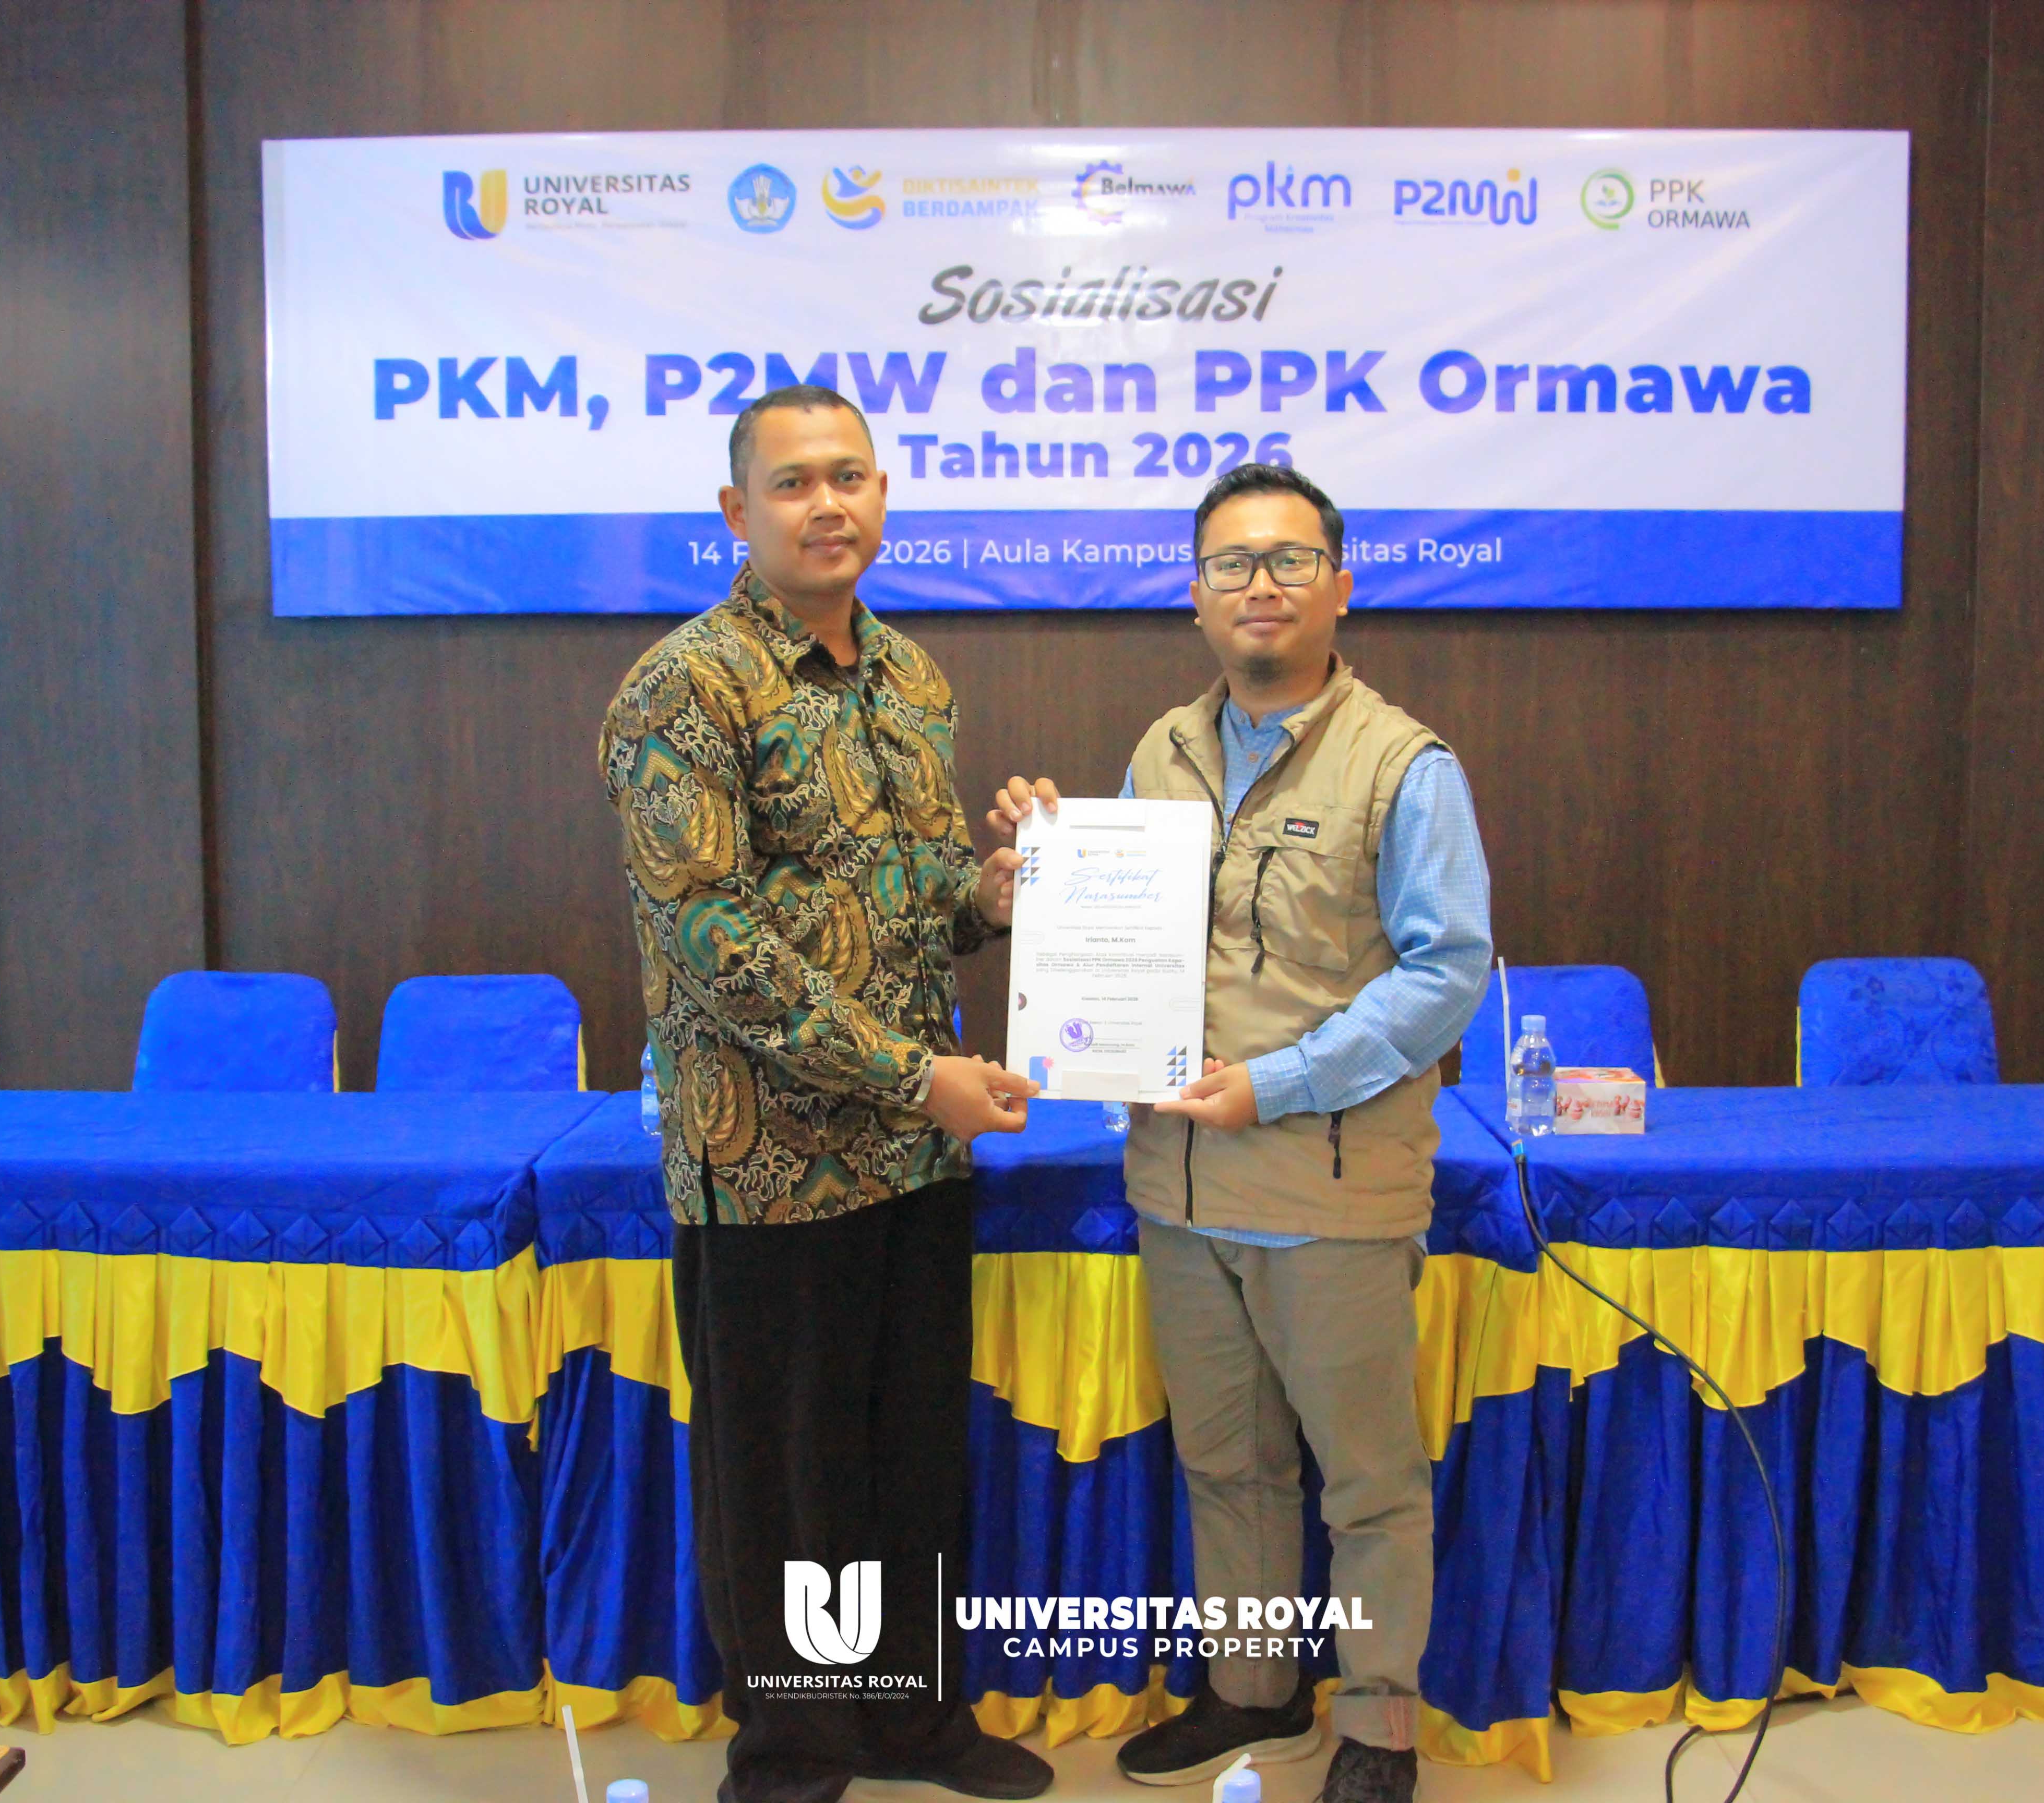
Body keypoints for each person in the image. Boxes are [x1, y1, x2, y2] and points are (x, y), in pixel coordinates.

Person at [988, 464, 1491, 1803]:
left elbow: (1447, 974)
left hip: (1328, 1184)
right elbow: (1126, 949)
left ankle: (1379, 1727)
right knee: (1228, 1466)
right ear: (1195, 596)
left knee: (1367, 1483)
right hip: (1178, 1182)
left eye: (1289, 559)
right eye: (1231, 564)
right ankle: (1253, 1693)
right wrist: (1045, 877)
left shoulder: (1406, 766)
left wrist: (1279, 1083)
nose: (1259, 584)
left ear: (1341, 585)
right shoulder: (1162, 750)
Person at [599, 384, 1048, 1803]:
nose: (828, 504)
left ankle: (916, 1725)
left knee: (912, 1463)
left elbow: (911, 898)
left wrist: (995, 893)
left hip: (915, 1161)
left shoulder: (912, 677)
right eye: (794, 483)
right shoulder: (686, 687)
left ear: (884, 494)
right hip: (771, 1168)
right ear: (738, 512)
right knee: (785, 1489)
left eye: (850, 476)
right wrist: (920, 1078)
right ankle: (796, 1755)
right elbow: (713, 939)